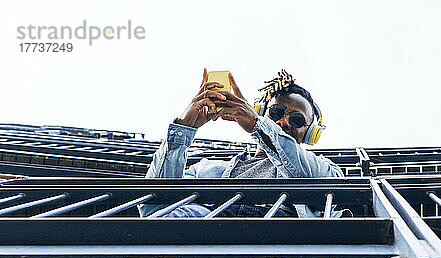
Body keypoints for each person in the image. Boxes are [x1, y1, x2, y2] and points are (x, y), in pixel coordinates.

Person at [138, 69, 344, 219]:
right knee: (166, 222)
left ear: (309, 134)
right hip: (208, 224)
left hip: (278, 232)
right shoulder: (208, 169)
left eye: (297, 120)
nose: (284, 122)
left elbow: (331, 191)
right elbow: (152, 209)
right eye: (276, 112)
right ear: (263, 113)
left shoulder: (325, 168)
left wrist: (257, 124)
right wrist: (184, 128)